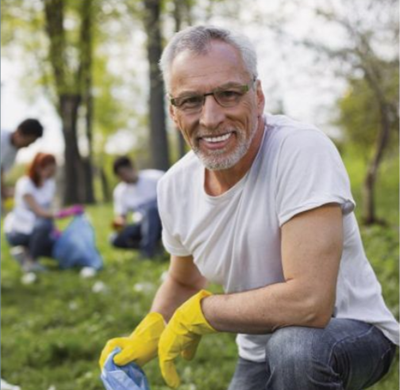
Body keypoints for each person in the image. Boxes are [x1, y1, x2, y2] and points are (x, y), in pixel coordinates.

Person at [100, 26, 399, 390]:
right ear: (174, 112)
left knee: (294, 347)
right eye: (191, 100)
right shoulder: (174, 186)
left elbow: (310, 303)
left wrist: (203, 312)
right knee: (281, 348)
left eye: (228, 94)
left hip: (352, 333)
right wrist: (149, 332)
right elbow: (184, 279)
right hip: (257, 351)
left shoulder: (300, 150)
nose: (210, 118)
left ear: (257, 97)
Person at [3, 153, 79, 273]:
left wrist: (55, 230)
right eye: (49, 170)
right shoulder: (25, 184)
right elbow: (39, 212)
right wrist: (64, 213)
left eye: (53, 170)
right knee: (45, 224)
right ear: (38, 168)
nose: (51, 174)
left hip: (37, 231)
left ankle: (23, 253)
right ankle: (31, 262)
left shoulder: (50, 184)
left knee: (56, 247)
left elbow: (48, 209)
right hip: (18, 231)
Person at [110, 156, 164, 258]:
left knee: (151, 210)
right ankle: (153, 246)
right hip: (141, 224)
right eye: (119, 176)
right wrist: (119, 222)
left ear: (132, 168)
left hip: (163, 222)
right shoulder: (120, 191)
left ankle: (147, 252)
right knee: (114, 239)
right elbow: (121, 215)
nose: (123, 178)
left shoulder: (156, 178)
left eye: (124, 173)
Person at [1, 119, 44, 209]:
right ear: (19, 133)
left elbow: (1, 171)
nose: (28, 145)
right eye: (29, 141)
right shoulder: (2, 137)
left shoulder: (13, 151)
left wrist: (4, 191)